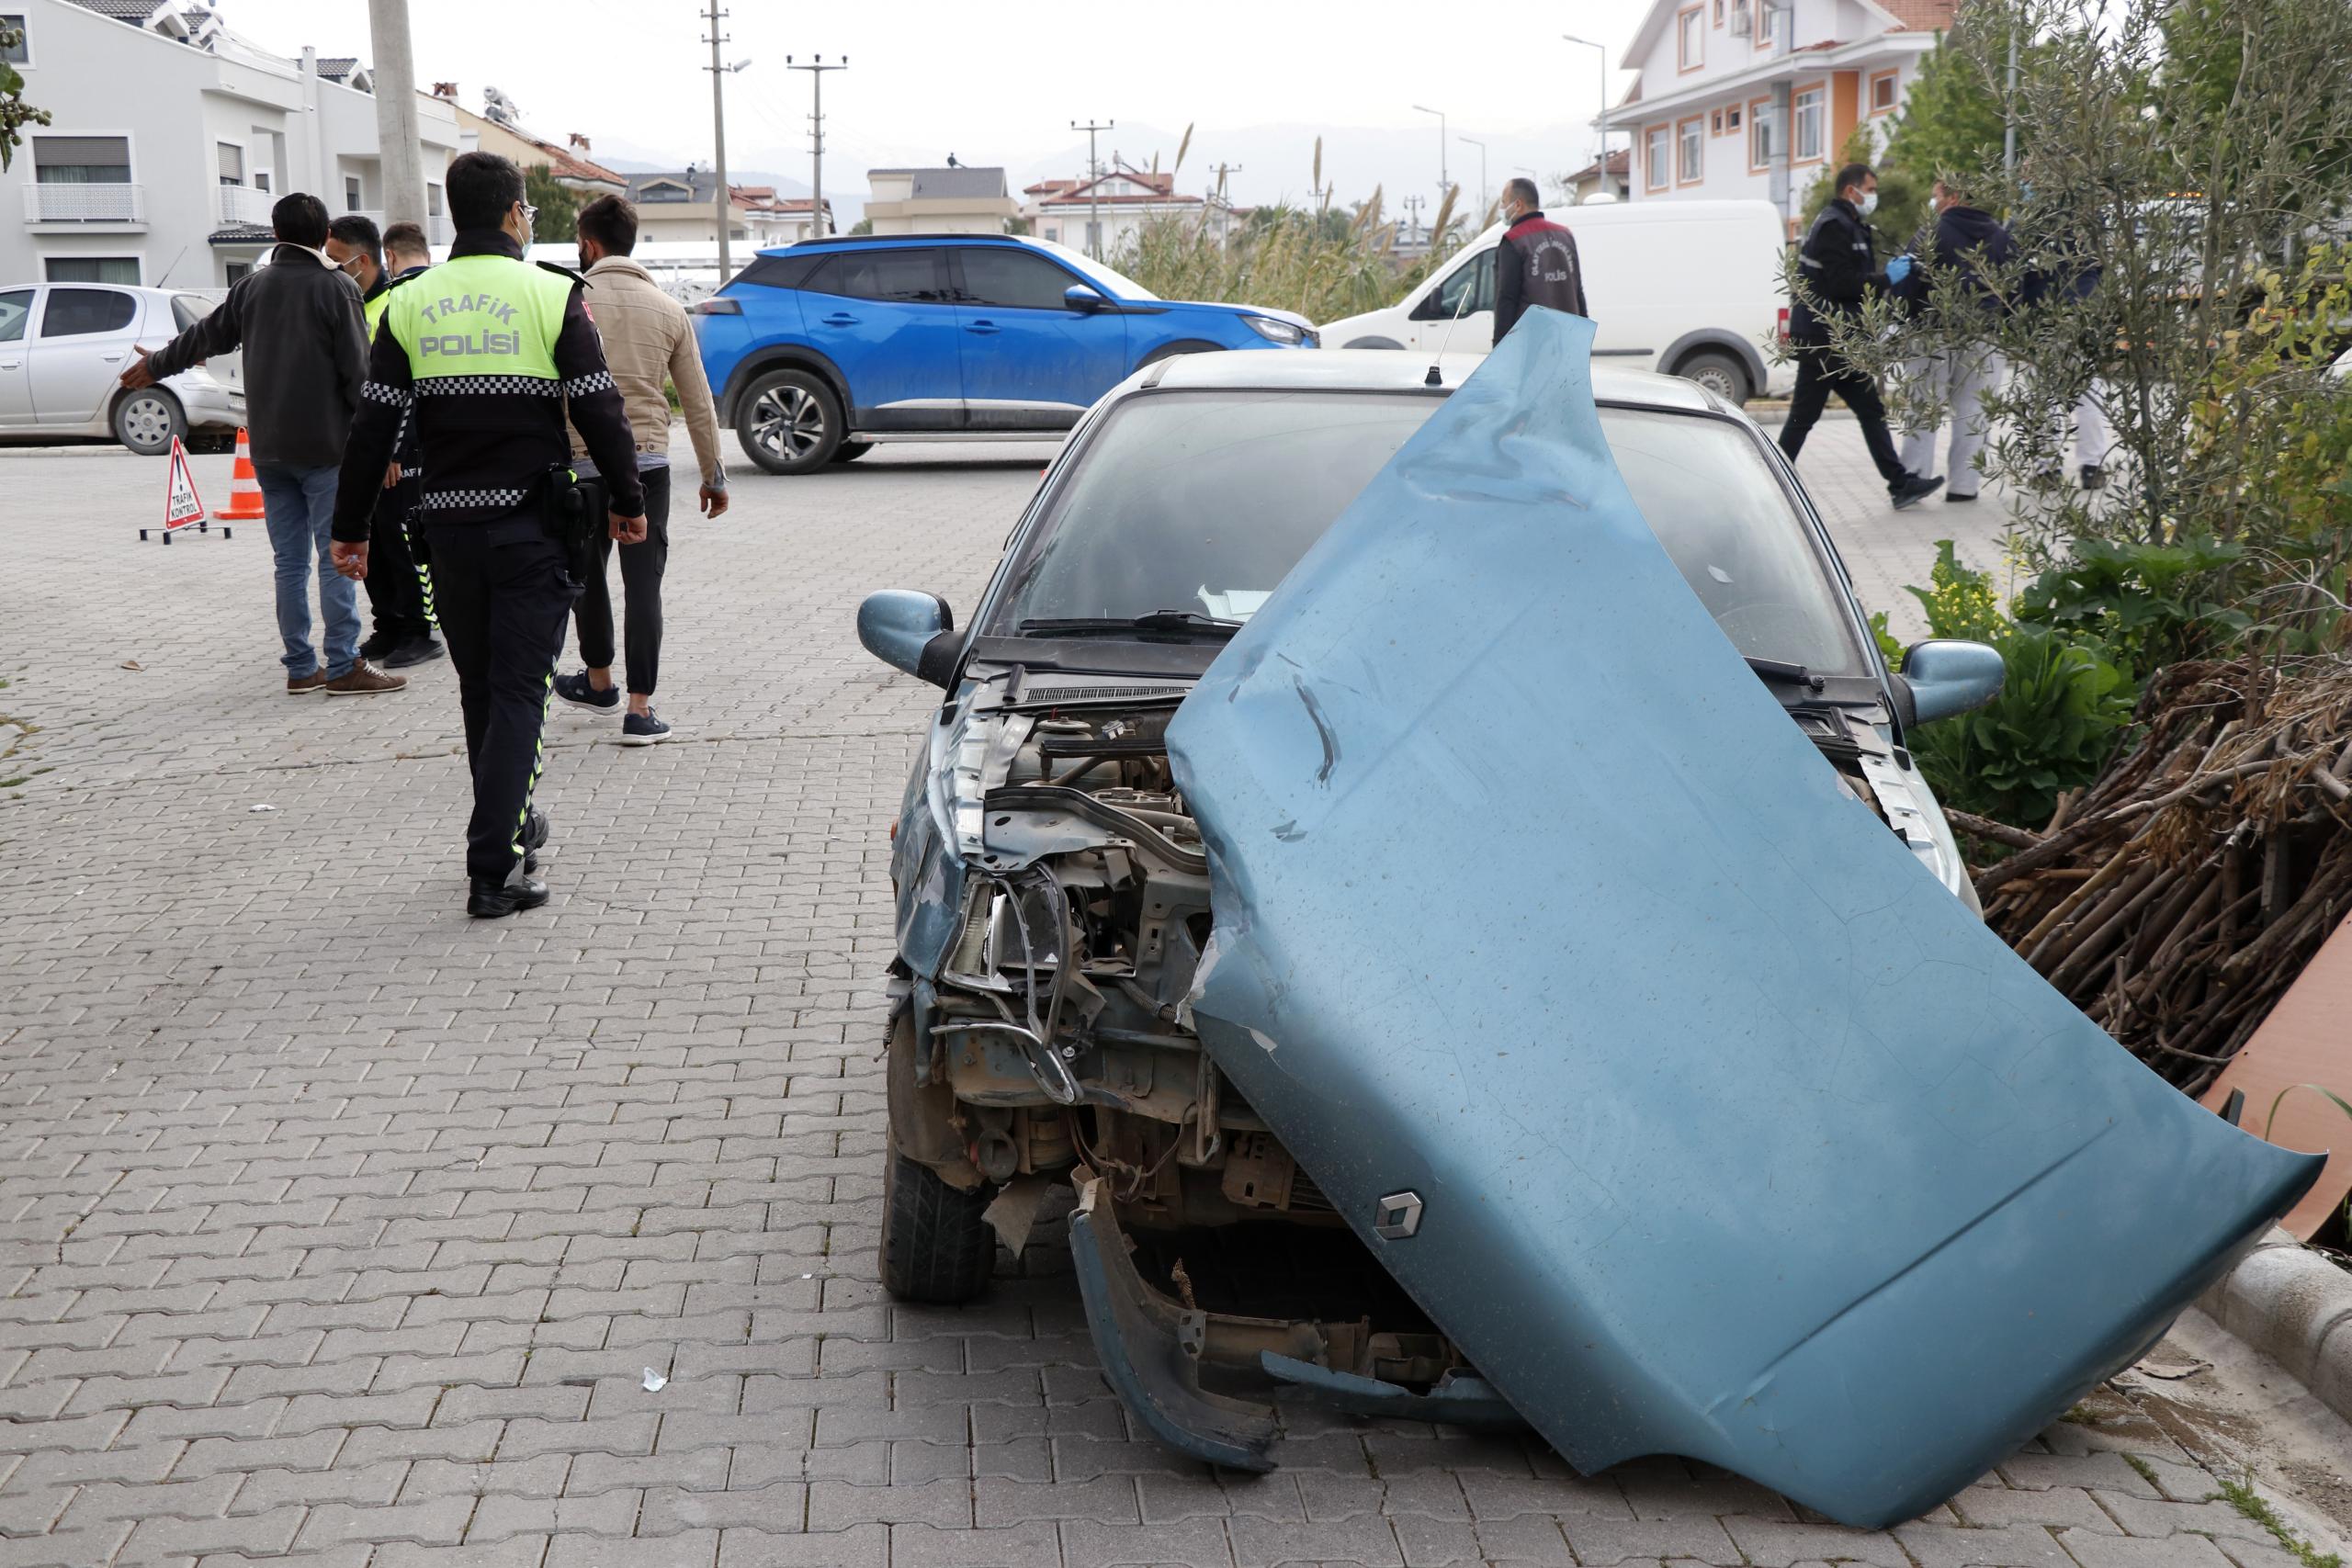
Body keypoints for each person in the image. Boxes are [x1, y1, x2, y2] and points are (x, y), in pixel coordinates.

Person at [328, 152, 645, 919]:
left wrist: (350, 529)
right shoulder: (551, 294)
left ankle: (508, 824)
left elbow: (373, 427)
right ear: (513, 213)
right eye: (528, 213)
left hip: (448, 535)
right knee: (520, 695)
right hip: (531, 531)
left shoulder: (409, 301)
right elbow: (598, 408)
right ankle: (494, 868)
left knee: (484, 691)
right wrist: (629, 498)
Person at [121, 193, 407, 695]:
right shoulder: (337, 287)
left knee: (289, 562)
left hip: (270, 450)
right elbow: (359, 380)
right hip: (326, 450)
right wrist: (378, 448)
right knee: (336, 557)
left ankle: (300, 668)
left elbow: (205, 336)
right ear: (323, 239)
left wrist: (155, 366)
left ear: (275, 235)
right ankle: (342, 665)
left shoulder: (251, 288)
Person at [550, 196, 729, 745]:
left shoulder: (567, 302)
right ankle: (639, 708)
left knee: (586, 576)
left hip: (582, 462)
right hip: (646, 463)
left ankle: (599, 681)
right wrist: (713, 475)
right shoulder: (668, 308)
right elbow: (696, 402)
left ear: (588, 244)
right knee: (642, 585)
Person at [1778, 164, 1945, 510]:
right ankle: (1770, 479)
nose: (1873, 196)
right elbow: (1841, 283)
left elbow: (1853, 277)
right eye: (1870, 189)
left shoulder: (1851, 225)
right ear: (1850, 190)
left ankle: (1900, 484)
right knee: (1804, 417)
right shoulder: (1833, 227)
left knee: (1868, 410)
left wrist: (1885, 275)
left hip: (1839, 338)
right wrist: (1886, 279)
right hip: (1825, 338)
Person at [326, 215, 442, 666]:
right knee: (371, 534)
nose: (333, 268)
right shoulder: (357, 303)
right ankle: (388, 625)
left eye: (339, 260)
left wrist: (395, 449)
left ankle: (418, 630)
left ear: (370, 259)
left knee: (399, 539)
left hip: (398, 447)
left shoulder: (399, 302)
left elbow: (409, 383)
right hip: (365, 443)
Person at [1891, 178, 2018, 502]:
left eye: (1936, 196)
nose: (1933, 203)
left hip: (1931, 333)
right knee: (1973, 408)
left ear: (1954, 197)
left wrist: (1901, 318)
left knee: (1924, 406)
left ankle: (1914, 478)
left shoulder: (1930, 233)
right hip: (1984, 334)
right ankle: (1964, 486)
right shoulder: (2001, 236)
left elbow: (1906, 281)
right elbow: (2015, 285)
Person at [1491, 177, 1589, 344]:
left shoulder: (1514, 240)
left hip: (1531, 342)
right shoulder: (1565, 235)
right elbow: (1577, 290)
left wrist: (1499, 344)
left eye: (1504, 201)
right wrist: (1584, 335)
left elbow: (1507, 298)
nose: (1502, 207)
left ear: (1518, 204)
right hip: (1567, 339)